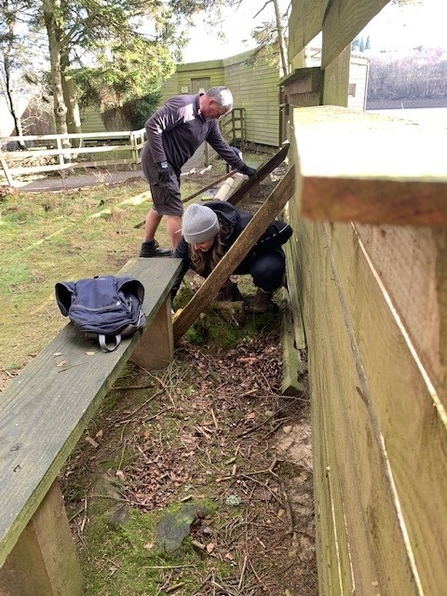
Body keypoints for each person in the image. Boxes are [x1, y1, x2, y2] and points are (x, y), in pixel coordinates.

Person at [139, 86, 257, 257]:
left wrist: (242, 167)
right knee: (175, 211)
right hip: (156, 161)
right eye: (219, 112)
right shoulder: (183, 106)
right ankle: (179, 259)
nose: (218, 117)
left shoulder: (209, 122)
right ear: (211, 101)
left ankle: (147, 247)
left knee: (162, 203)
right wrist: (161, 162)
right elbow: (152, 125)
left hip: (171, 164)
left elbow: (222, 147)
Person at [171, 201, 293, 313]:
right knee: (194, 257)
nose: (196, 246)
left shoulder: (244, 228)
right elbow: (174, 271)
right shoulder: (191, 240)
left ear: (214, 233)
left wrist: (253, 247)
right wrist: (168, 305)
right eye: (193, 242)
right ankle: (227, 289)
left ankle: (264, 292)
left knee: (268, 268)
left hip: (254, 259)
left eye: (201, 242)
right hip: (223, 261)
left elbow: (285, 230)